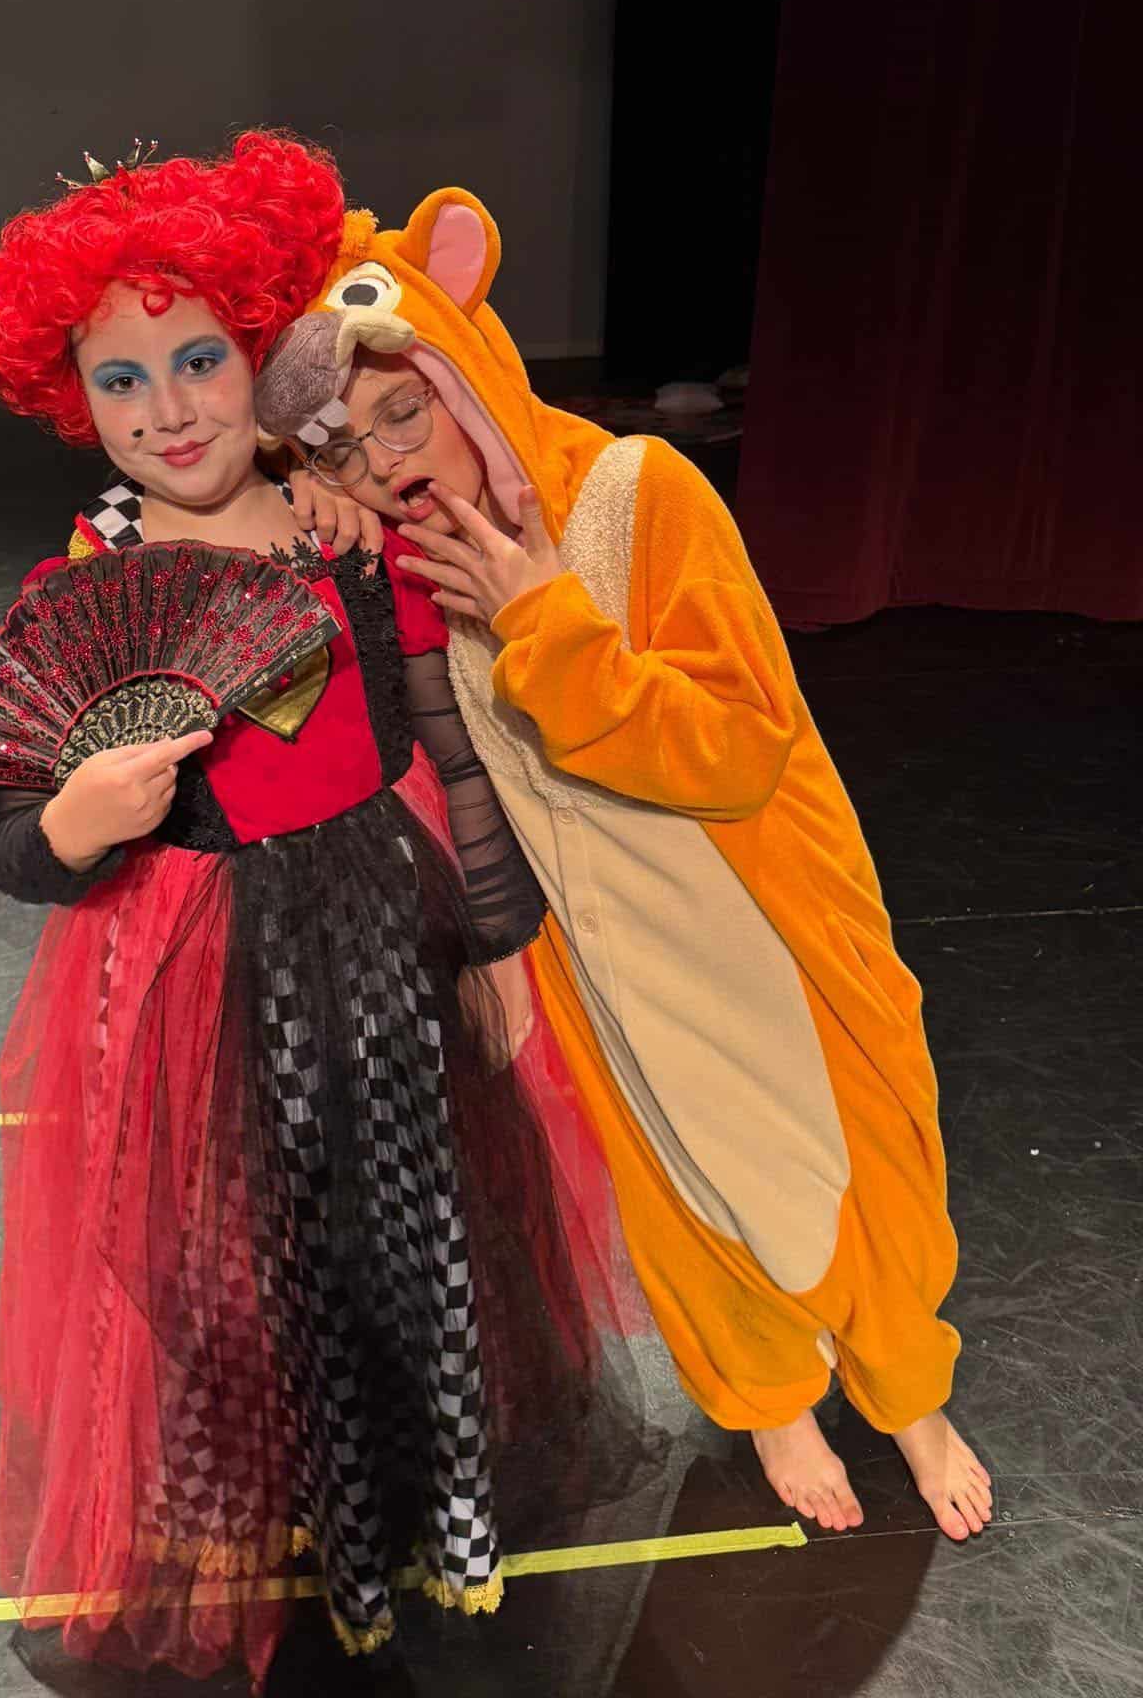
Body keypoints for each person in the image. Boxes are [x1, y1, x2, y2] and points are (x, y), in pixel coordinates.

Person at [0, 135, 639, 1695]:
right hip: (193, 979)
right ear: (74, 400)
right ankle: (256, 1509)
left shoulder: (344, 537)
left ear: (258, 354)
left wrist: (494, 937)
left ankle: (402, 1490)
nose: (170, 409)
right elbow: (5, 840)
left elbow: (438, 737)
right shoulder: (85, 583)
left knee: (407, 1228)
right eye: (122, 381)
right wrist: (75, 821)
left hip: (384, 944)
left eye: (200, 360)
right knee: (221, 1270)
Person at [255, 183, 995, 1544]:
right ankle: (771, 1399)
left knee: (856, 1162)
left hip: (757, 917)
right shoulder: (403, 575)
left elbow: (738, 747)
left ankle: (909, 1392)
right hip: (601, 954)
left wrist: (545, 624)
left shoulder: (637, 493)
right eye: (343, 448)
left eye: (403, 412)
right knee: (680, 1179)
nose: (385, 463)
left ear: (460, 371)